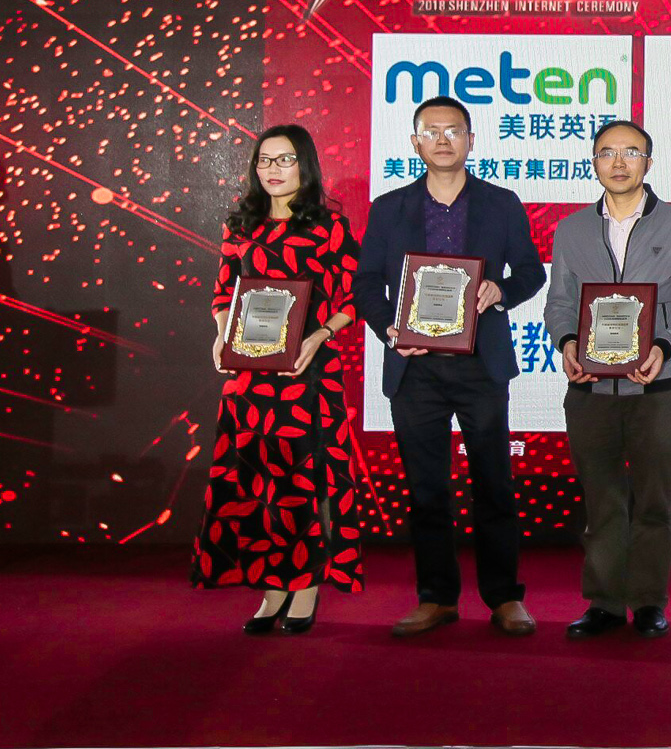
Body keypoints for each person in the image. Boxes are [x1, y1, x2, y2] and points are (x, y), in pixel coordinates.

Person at [355, 95, 546, 639]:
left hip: (480, 366)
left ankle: (504, 597)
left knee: (494, 483)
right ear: (415, 142)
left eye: (454, 130)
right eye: (431, 131)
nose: (443, 140)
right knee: (426, 489)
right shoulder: (388, 208)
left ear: (471, 140)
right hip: (414, 367)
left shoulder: (501, 203)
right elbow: (366, 283)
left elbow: (531, 272)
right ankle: (436, 597)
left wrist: (501, 291)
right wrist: (390, 331)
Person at [545, 120, 671, 641]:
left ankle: (647, 602)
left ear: (649, 161)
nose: (618, 162)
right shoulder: (571, 229)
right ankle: (604, 602)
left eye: (630, 152)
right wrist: (566, 343)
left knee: (654, 502)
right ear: (594, 163)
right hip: (589, 390)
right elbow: (559, 303)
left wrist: (664, 346)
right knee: (601, 501)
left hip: (658, 389)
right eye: (607, 153)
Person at [196, 126, 363, 634]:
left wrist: (320, 336)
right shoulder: (241, 224)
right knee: (255, 479)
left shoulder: (329, 226)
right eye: (264, 160)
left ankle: (305, 585)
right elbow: (224, 292)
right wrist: (222, 336)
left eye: (285, 159)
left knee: (302, 480)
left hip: (307, 372)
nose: (273, 169)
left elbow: (353, 298)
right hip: (250, 375)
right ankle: (272, 588)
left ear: (304, 164)